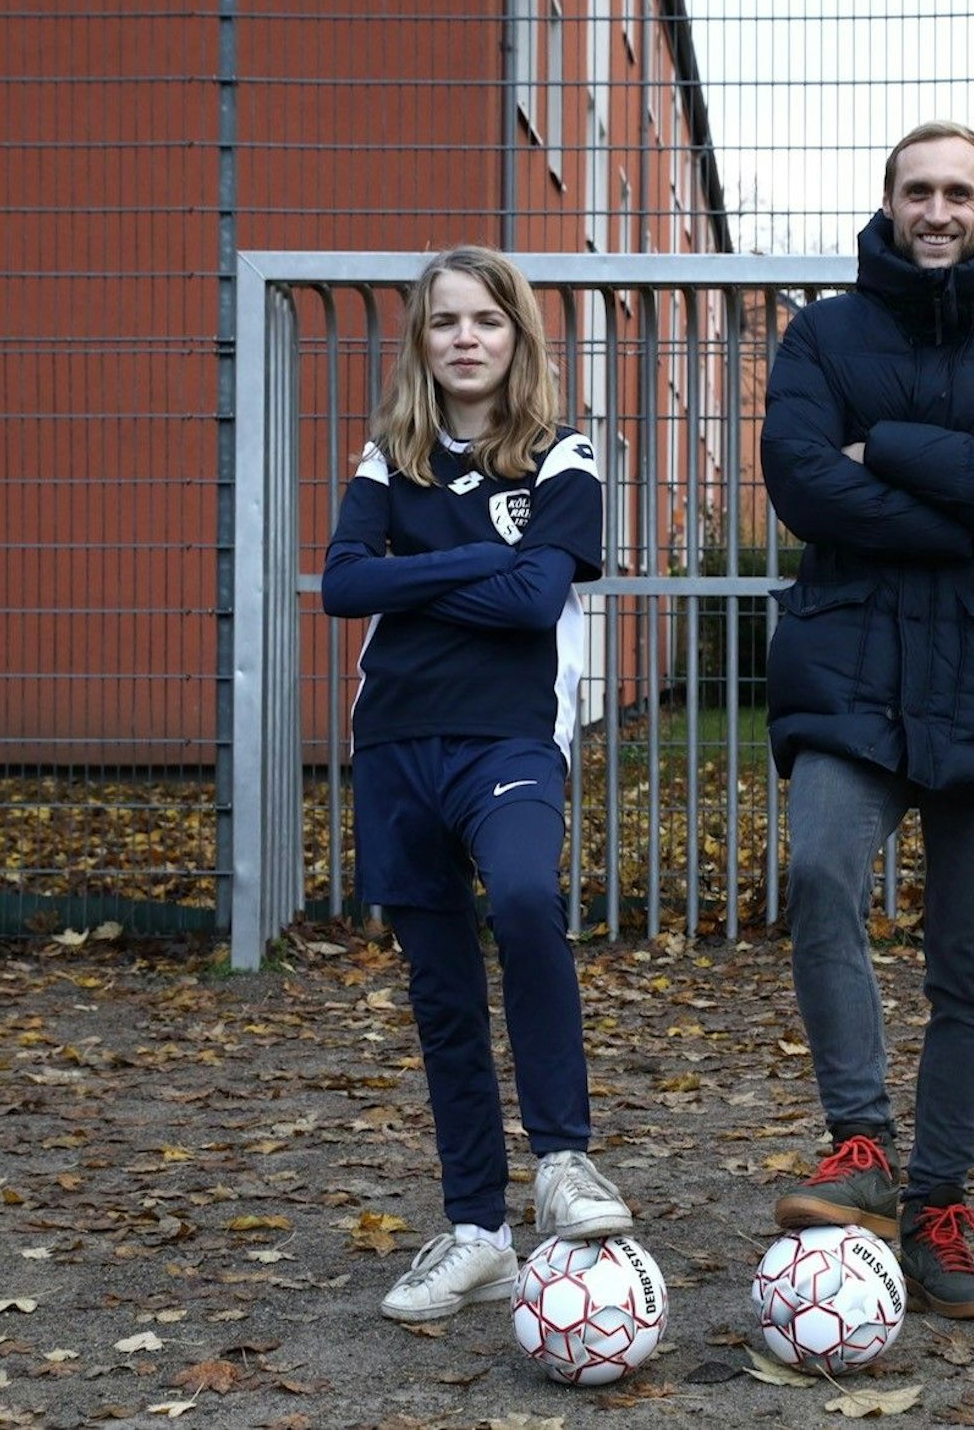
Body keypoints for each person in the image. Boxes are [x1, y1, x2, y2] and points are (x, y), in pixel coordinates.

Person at [759, 121, 974, 1319]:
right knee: (817, 873)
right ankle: (859, 1143)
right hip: (850, 666)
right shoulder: (822, 332)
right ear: (889, 202)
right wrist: (970, 503)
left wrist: (892, 451)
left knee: (968, 967)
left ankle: (938, 1208)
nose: (937, 210)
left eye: (959, 191)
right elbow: (803, 480)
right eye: (918, 191)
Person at [319, 244, 631, 1323]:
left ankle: (562, 1161)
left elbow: (534, 594)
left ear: (517, 337)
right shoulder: (385, 458)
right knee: (442, 993)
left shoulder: (561, 454)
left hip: (506, 740)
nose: (464, 338)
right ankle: (475, 1233)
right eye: (444, 320)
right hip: (396, 744)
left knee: (529, 898)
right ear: (422, 339)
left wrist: (411, 576)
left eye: (485, 321)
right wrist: (466, 564)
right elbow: (341, 585)